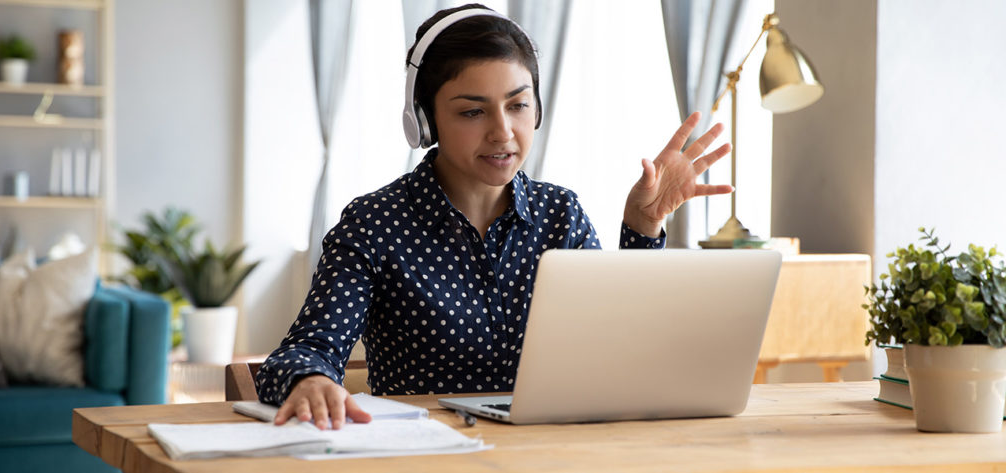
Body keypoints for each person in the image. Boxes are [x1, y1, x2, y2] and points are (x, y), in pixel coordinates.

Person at [256, 3, 732, 430]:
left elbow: (625, 347)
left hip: (552, 454)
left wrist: (643, 228)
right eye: (471, 112)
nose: (503, 132)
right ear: (424, 120)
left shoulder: (559, 214)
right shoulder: (375, 223)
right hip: (426, 455)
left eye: (518, 104)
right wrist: (311, 379)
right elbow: (302, 351)